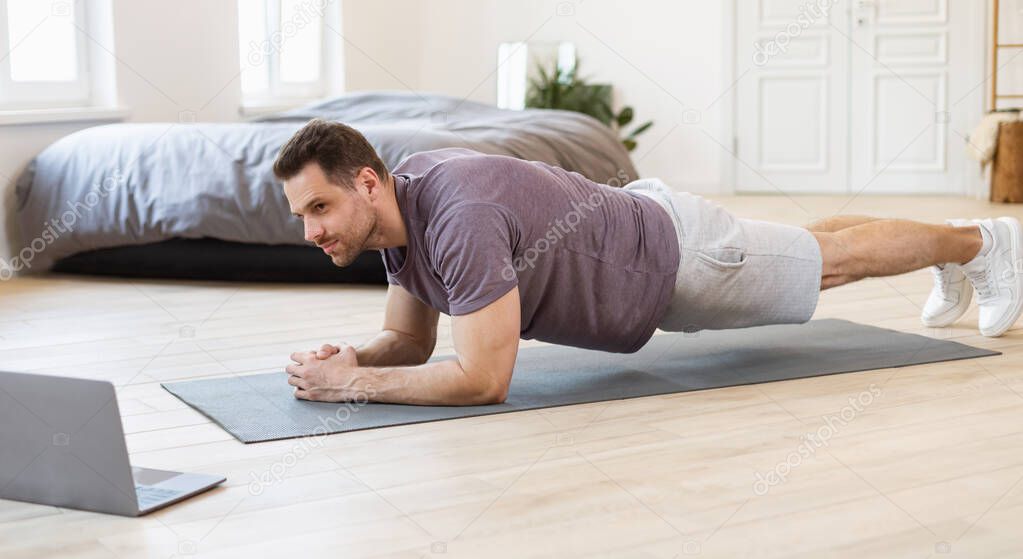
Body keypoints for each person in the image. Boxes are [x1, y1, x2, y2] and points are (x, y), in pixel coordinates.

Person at [276, 119, 1022, 405]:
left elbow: (482, 378)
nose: (312, 230)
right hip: (650, 233)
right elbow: (411, 341)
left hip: (673, 259)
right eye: (302, 216)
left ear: (366, 182)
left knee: (827, 262)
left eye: (320, 209)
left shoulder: (458, 217)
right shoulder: (399, 218)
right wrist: (352, 355)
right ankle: (950, 245)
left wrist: (353, 385)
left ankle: (982, 244)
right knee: (810, 245)